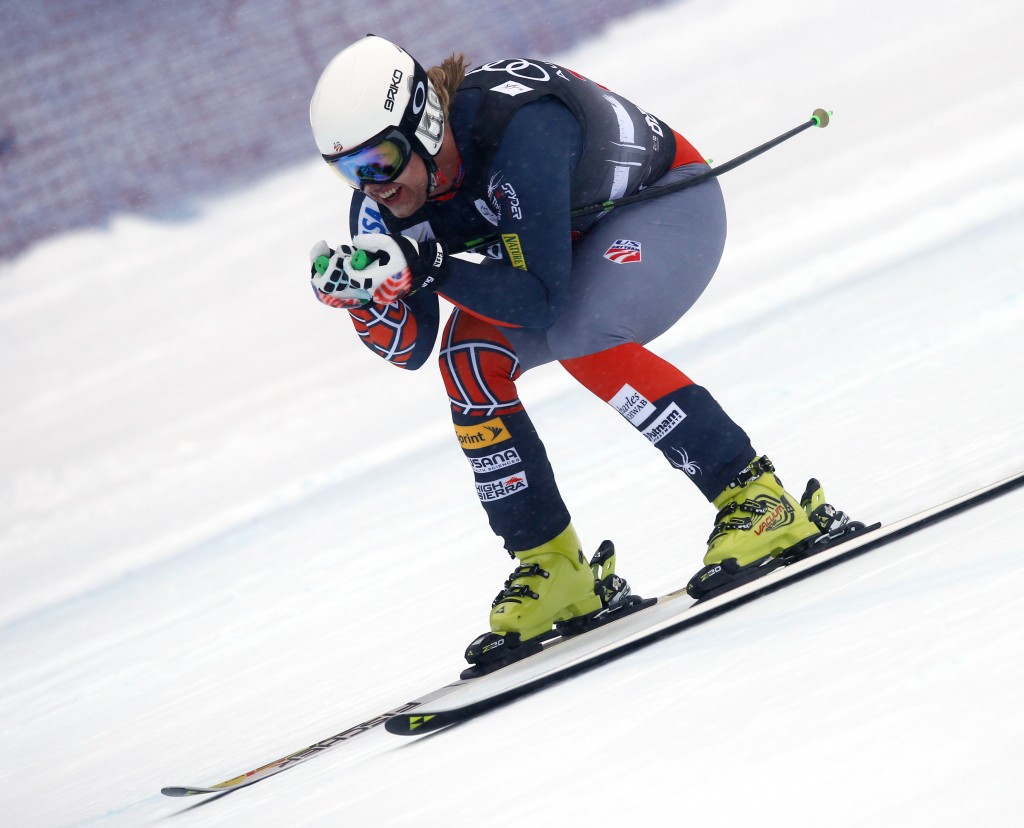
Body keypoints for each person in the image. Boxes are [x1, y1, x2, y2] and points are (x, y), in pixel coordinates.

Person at [306, 35, 850, 670]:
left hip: (665, 202)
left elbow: (538, 299)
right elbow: (414, 346)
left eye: (381, 159)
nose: (372, 185)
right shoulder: (382, 199)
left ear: (424, 124)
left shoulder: (520, 128)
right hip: (558, 249)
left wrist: (428, 266)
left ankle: (757, 498)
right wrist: (366, 296)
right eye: (349, 170)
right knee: (468, 362)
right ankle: (554, 566)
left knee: (578, 333)